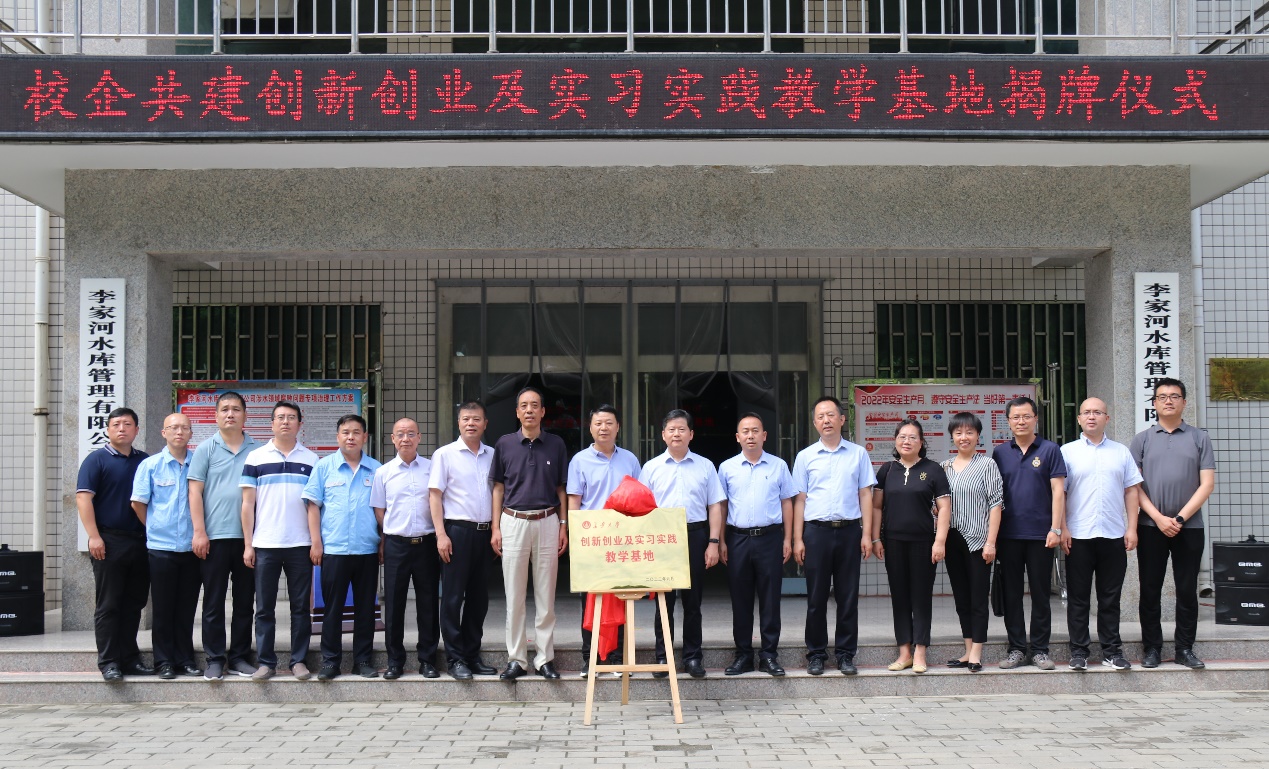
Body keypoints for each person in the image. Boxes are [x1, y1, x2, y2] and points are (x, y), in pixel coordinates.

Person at [1131, 378, 1216, 670]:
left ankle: (1184, 648)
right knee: (1150, 589)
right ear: (1154, 403)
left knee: (1187, 589)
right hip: (1150, 526)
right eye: (1162, 396)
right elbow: (1134, 486)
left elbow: (1207, 484)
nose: (1168, 401)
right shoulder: (1142, 440)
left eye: (1174, 396)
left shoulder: (1199, 438)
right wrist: (1158, 518)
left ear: (1184, 402)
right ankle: (1152, 648)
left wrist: (1179, 519)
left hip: (1189, 527)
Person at [791, 396, 875, 676]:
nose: (826, 420)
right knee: (816, 598)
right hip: (816, 533)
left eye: (830, 415)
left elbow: (865, 494)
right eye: (820, 416)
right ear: (815, 423)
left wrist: (866, 534)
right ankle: (816, 654)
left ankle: (845, 654)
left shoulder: (858, 454)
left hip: (850, 531)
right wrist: (798, 539)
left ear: (842, 419)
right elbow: (800, 500)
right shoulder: (805, 457)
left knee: (847, 597)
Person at [490, 386, 569, 681]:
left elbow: (561, 489)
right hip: (513, 521)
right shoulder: (504, 444)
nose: (529, 410)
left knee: (546, 596)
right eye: (524, 405)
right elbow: (498, 488)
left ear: (543, 411)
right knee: (514, 597)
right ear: (517, 412)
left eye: (535, 405)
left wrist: (563, 525)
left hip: (548, 520)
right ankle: (517, 659)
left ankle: (545, 658)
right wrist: (495, 527)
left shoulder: (556, 444)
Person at [641, 409, 726, 679]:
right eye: (671, 429)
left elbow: (715, 506)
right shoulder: (651, 467)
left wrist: (713, 542)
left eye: (682, 429)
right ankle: (662, 656)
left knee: (693, 601)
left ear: (691, 434)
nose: (676, 434)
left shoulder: (705, 466)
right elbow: (642, 508)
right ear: (663, 434)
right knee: (663, 601)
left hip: (695, 535)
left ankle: (692, 657)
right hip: (662, 538)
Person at [1061, 398, 1142, 672]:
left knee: (1110, 598)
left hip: (1113, 535)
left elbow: (1131, 491)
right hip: (1078, 536)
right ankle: (1079, 651)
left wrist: (1132, 528)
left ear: (1107, 418)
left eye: (1097, 412)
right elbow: (1060, 494)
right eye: (1086, 412)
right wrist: (1063, 528)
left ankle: (1112, 651)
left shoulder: (1121, 452)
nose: (1092, 417)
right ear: (1079, 419)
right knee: (1078, 598)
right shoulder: (1067, 452)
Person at [241, 400, 319, 681]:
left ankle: (299, 661)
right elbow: (247, 504)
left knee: (301, 607)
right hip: (266, 544)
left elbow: (314, 505)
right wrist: (248, 544)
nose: (286, 422)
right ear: (272, 423)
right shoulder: (256, 458)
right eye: (280, 417)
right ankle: (266, 662)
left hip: (300, 544)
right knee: (264, 608)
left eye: (291, 417)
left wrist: (315, 542)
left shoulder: (312, 460)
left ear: (300, 423)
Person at [303, 414, 383, 681]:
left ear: (365, 437)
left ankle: (363, 660)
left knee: (365, 609)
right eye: (346, 432)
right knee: (332, 609)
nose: (351, 437)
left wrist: (383, 542)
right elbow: (313, 506)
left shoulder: (376, 469)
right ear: (338, 437)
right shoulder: (324, 467)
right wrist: (316, 543)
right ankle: (330, 662)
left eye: (356, 432)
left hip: (367, 550)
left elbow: (382, 511)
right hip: (334, 550)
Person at [566, 404, 642, 678]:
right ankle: (590, 659)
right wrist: (575, 538)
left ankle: (618, 658)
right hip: (592, 542)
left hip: (623, 542)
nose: (604, 428)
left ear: (618, 427)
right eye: (598, 423)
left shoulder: (630, 460)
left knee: (622, 598)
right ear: (590, 428)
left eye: (609, 423)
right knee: (590, 600)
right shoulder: (579, 461)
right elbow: (574, 502)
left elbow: (640, 498)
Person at [76, 407, 151, 682]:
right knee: (109, 604)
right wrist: (94, 536)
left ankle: (129, 659)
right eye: (116, 424)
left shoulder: (145, 461)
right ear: (108, 429)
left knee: (134, 603)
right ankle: (109, 662)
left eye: (127, 424)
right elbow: (83, 499)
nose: (122, 428)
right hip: (108, 541)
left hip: (140, 541)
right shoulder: (96, 460)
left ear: (136, 430)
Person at [718, 413, 795, 677]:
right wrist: (721, 541)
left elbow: (787, 502)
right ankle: (743, 656)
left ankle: (769, 656)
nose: (750, 436)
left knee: (770, 599)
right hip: (737, 538)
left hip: (770, 538)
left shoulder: (778, 466)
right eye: (745, 431)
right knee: (740, 600)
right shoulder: (726, 467)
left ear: (764, 435)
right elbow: (721, 506)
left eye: (755, 431)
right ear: (737, 437)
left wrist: (787, 538)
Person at [992, 395, 1067, 671]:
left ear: (1035, 418)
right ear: (1008, 421)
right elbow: (994, 495)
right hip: (1008, 535)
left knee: (1040, 594)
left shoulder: (1050, 450)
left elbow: (1058, 491)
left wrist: (1056, 528)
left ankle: (1040, 650)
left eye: (1026, 416)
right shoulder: (1000, 453)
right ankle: (1016, 648)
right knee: (1011, 594)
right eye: (1016, 417)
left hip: (1041, 535)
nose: (1021, 421)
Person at [188, 390, 259, 681]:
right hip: (214, 538)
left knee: (245, 602)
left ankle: (240, 657)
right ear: (216, 416)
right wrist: (199, 531)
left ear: (245, 415)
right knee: (213, 602)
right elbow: (194, 492)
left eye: (236, 409)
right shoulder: (205, 449)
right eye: (224, 409)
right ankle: (215, 659)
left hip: (249, 540)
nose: (230, 414)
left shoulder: (258, 450)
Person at [872, 418, 951, 674]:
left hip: (924, 543)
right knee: (900, 597)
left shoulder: (933, 469)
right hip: (893, 542)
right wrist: (875, 538)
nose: (906, 441)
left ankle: (920, 652)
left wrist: (940, 541)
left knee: (921, 596)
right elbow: (876, 506)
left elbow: (944, 508)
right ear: (895, 440)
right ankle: (904, 651)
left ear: (921, 442)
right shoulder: (887, 470)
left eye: (912, 437)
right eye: (902, 437)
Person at [427, 405, 497, 680]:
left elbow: (498, 493)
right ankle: (455, 659)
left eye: (476, 419)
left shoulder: (493, 455)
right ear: (458, 423)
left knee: (479, 599)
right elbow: (435, 496)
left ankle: (472, 654)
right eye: (466, 419)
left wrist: (496, 530)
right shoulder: (444, 454)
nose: (471, 423)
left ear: (485, 423)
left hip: (485, 533)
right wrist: (440, 535)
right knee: (453, 598)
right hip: (457, 532)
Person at [130, 412, 201, 680]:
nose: (179, 432)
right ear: (164, 432)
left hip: (192, 548)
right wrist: (155, 526)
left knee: (186, 607)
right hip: (161, 548)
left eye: (184, 427)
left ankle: (185, 659)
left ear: (191, 433)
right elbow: (138, 503)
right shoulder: (150, 465)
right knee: (162, 608)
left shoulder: (199, 464)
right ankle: (164, 662)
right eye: (173, 427)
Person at [371, 417, 441, 680]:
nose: (406, 438)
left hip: (427, 544)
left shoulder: (432, 469)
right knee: (394, 605)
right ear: (393, 439)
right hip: (396, 545)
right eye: (400, 434)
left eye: (411, 433)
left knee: (428, 603)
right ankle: (395, 661)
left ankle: (428, 660)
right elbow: (380, 510)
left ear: (419, 437)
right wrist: (392, 532)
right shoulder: (384, 472)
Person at [940, 412, 1003, 673]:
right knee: (961, 597)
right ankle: (967, 651)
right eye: (958, 433)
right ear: (952, 436)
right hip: (951, 540)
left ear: (978, 436)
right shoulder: (943, 467)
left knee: (978, 597)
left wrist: (991, 542)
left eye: (969, 432)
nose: (963, 437)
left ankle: (977, 652)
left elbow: (996, 505)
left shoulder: (987, 465)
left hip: (978, 541)